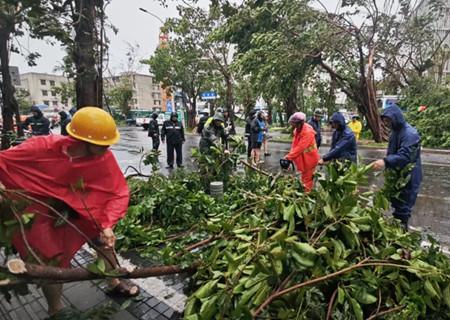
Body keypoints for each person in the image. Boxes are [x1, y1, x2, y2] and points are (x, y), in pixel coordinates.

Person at [0, 107, 138, 316]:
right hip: (43, 211)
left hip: (85, 210)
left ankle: (113, 281)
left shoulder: (104, 158)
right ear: (83, 141)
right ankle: (56, 309)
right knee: (50, 259)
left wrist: (108, 225)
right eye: (102, 144)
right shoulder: (41, 147)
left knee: (104, 243)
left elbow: (118, 192)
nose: (108, 147)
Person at [371, 103, 422, 230]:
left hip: (408, 177)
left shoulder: (410, 134)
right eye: (385, 121)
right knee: (397, 204)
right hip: (397, 176)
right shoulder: (395, 132)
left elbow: (406, 156)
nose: (386, 123)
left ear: (396, 118)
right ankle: (397, 232)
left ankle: (402, 235)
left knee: (403, 209)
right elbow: (392, 151)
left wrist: (385, 161)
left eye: (388, 120)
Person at [284, 112, 320, 192]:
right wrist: (289, 157)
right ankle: (305, 193)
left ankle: (305, 198)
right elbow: (295, 145)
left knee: (307, 180)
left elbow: (300, 147)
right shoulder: (297, 130)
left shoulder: (308, 132)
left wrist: (289, 157)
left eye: (293, 124)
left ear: (299, 123)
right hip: (304, 158)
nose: (292, 125)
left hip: (310, 158)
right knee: (304, 177)